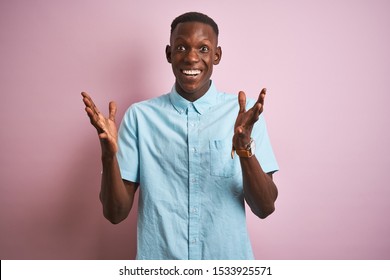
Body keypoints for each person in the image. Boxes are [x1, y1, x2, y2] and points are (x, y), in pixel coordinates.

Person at [81, 11, 279, 260]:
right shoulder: (140, 117)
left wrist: (243, 149)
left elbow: (265, 208)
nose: (192, 57)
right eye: (182, 47)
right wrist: (108, 158)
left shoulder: (245, 116)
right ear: (169, 53)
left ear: (217, 56)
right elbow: (115, 213)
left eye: (204, 49)